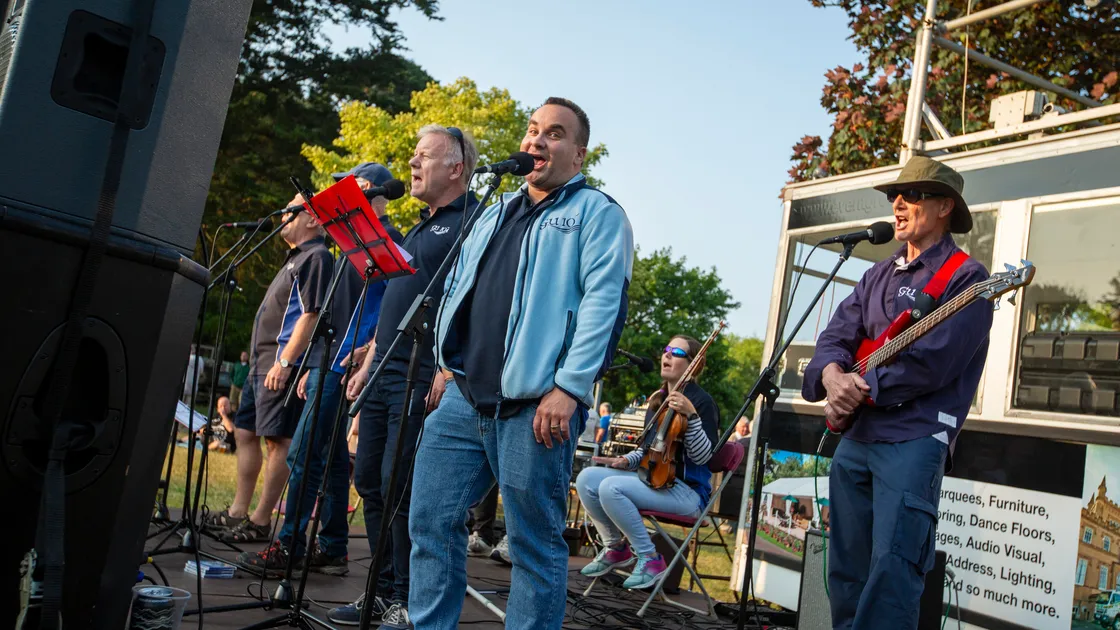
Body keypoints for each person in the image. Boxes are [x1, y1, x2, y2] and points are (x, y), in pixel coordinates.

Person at [407, 97, 634, 630]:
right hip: (463, 397)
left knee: (533, 546)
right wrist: (445, 363)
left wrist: (570, 388)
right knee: (430, 522)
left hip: (536, 406)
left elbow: (605, 306)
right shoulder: (494, 211)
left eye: (554, 134)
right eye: (533, 130)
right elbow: (463, 289)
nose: (536, 141)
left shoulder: (598, 215)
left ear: (578, 155)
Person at [801, 156, 993, 630]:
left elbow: (934, 362)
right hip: (858, 438)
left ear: (945, 205)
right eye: (893, 196)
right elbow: (834, 339)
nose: (898, 203)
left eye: (912, 194)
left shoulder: (967, 278)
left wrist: (857, 389)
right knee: (845, 569)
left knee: (893, 570)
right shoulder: (876, 275)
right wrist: (830, 377)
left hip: (914, 437)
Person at [328, 126, 479, 627]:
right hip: (385, 367)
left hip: (422, 371)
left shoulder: (473, 221)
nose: (411, 164)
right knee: (369, 478)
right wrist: (369, 362)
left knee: (400, 484)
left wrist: (447, 365)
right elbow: (393, 305)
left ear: (455, 168)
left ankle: (410, 601)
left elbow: (474, 299)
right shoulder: (417, 226)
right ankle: (382, 590)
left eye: (423, 156)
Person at [236, 164, 404, 578]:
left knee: (303, 451)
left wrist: (363, 355)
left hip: (349, 364)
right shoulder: (349, 243)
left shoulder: (390, 243)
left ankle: (290, 543)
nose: (336, 194)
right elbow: (335, 312)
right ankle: (331, 545)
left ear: (365, 188)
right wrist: (315, 363)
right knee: (325, 457)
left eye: (346, 186)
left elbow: (385, 311)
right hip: (328, 361)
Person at [205, 197, 333, 543]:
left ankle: (260, 521)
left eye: (294, 208)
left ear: (315, 221)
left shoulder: (317, 256)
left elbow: (311, 314)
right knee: (245, 433)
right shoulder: (294, 257)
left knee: (278, 441)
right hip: (261, 364)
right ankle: (237, 512)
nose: (284, 213)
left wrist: (287, 361)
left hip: (279, 364)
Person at [576, 336, 718, 589]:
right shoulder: (658, 398)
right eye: (666, 350)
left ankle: (650, 558)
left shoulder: (702, 402)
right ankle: (615, 547)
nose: (667, 355)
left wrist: (692, 417)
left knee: (611, 488)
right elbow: (648, 451)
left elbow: (703, 458)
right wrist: (624, 460)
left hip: (687, 492)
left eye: (676, 352)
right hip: (654, 481)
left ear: (693, 365)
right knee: (587, 479)